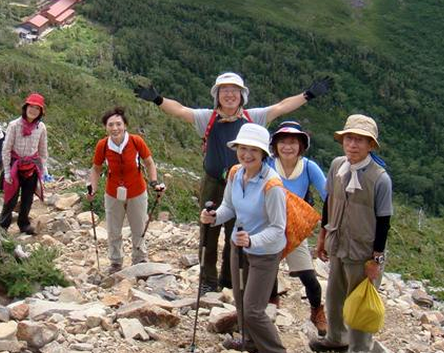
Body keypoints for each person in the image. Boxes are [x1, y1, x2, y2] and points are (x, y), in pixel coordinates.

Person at [135, 71, 332, 293]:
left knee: (236, 231)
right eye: (225, 91)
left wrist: (308, 95)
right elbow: (180, 111)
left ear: (242, 95)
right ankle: (208, 281)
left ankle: (229, 280)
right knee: (208, 230)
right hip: (213, 182)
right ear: (217, 95)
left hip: (243, 183)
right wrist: (158, 99)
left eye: (234, 91)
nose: (230, 95)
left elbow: (281, 107)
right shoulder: (207, 117)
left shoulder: (252, 117)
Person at [200, 123, 290, 353]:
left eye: (253, 150)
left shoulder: (272, 185)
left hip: (264, 253)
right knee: (239, 298)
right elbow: (229, 206)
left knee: (253, 307)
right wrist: (214, 217)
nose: (247, 154)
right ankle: (249, 341)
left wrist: (252, 241)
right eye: (243, 148)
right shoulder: (236, 173)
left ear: (263, 154)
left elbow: (277, 228)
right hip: (238, 248)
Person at [310, 114, 393, 353]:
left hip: (363, 250)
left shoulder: (379, 178)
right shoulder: (337, 166)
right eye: (349, 139)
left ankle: (359, 351)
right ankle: (336, 338)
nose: (353, 145)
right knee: (334, 296)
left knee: (360, 301)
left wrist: (376, 260)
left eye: (360, 140)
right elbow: (329, 201)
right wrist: (323, 236)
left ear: (370, 145)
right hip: (338, 242)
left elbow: (384, 221)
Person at [87, 107, 167, 273]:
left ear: (125, 125)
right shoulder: (102, 145)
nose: (115, 128)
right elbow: (96, 169)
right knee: (113, 229)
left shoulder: (136, 141)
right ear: (105, 127)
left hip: (137, 190)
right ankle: (116, 262)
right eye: (110, 125)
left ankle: (140, 259)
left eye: (118, 124)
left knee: (138, 227)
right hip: (112, 192)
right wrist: (92, 188)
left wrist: (154, 182)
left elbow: (149, 162)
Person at [269, 121, 328, 335]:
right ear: (275, 145)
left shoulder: (309, 167)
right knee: (268, 272)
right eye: (282, 142)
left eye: (293, 142)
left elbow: (327, 194)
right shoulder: (267, 163)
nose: (287, 147)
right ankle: (271, 306)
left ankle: (317, 310)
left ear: (301, 145)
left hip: (295, 229)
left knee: (308, 276)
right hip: (269, 226)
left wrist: (329, 224)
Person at [0, 93, 48, 234]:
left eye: (37, 108)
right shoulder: (14, 125)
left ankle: (24, 224)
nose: (33, 111)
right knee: (11, 197)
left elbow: (43, 151)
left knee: (28, 197)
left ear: (40, 112)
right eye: (31, 107)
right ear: (25, 108)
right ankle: (3, 224)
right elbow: (6, 149)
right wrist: (7, 171)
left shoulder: (41, 128)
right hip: (15, 164)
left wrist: (43, 171)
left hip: (32, 166)